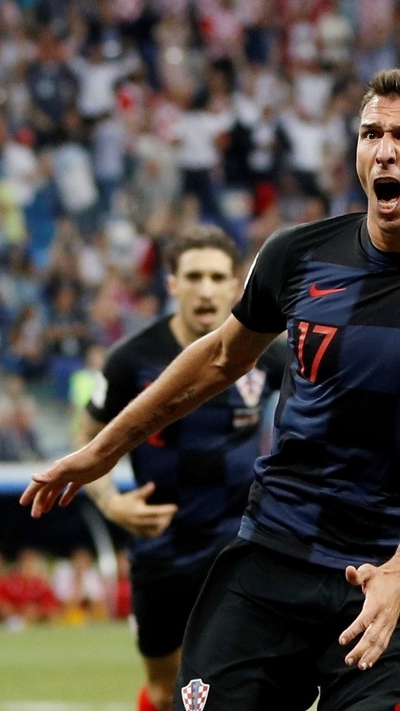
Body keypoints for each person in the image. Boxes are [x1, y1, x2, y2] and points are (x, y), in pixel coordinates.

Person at [21, 67, 400, 711]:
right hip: (275, 557)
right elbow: (215, 361)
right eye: (371, 132)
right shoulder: (299, 254)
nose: (384, 149)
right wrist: (100, 451)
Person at [77, 225, 286, 711]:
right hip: (162, 550)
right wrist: (111, 502)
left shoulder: (264, 355)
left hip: (239, 544)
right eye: (194, 276)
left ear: (236, 285)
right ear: (172, 284)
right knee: (164, 692)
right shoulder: (131, 361)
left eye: (217, 277)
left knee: (241, 686)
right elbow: (86, 445)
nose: (206, 289)